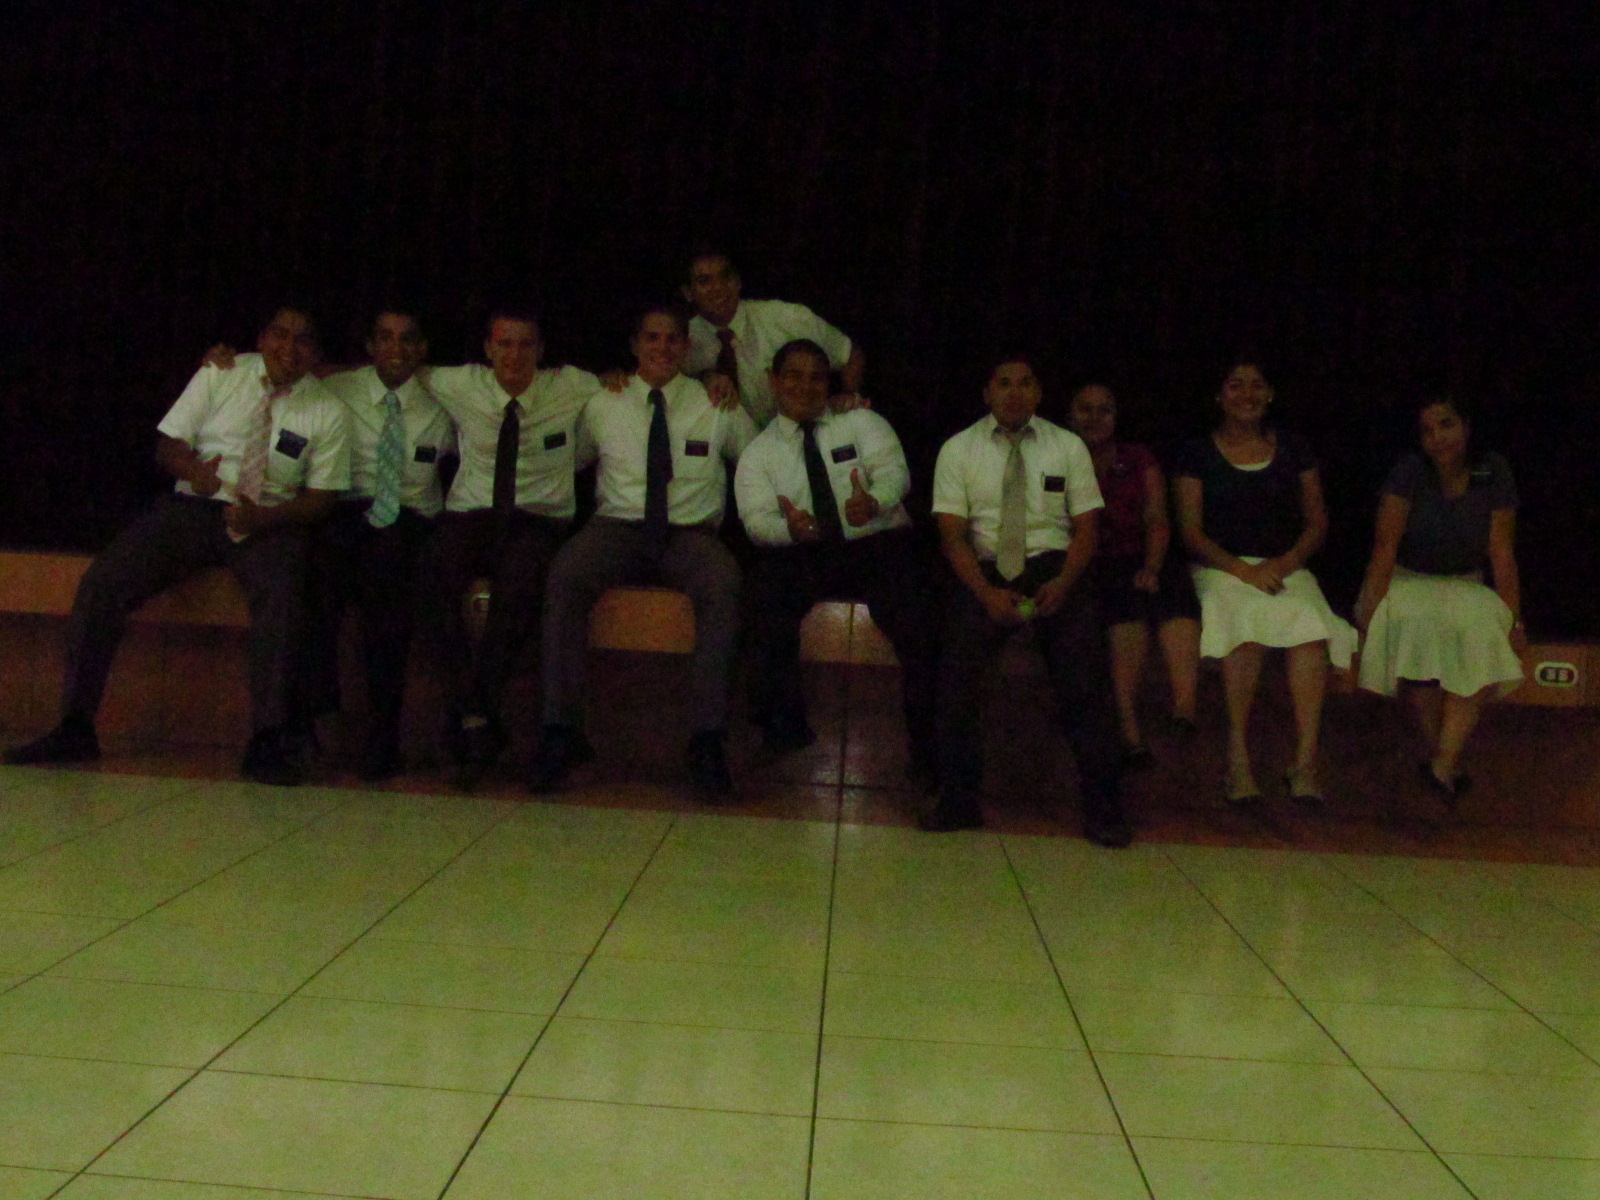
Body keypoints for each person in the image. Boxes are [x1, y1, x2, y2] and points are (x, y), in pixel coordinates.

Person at [4, 306, 351, 785]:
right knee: (103, 582)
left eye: (303, 341)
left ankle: (268, 739)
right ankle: (75, 726)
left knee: (285, 595)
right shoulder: (221, 372)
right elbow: (167, 445)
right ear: (261, 338)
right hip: (196, 505)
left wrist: (262, 517)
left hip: (268, 518)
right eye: (280, 335)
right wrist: (196, 474)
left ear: (316, 354)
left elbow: (321, 499)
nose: (288, 348)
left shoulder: (328, 410)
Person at [532, 305, 757, 798]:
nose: (662, 347)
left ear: (687, 347)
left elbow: (761, 460)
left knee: (723, 582)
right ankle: (561, 731)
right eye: (651, 338)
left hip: (690, 534)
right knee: (566, 573)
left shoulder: (715, 402)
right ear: (634, 345)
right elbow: (568, 461)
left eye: (673, 338)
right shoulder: (603, 401)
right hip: (617, 527)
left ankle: (707, 739)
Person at [927, 357, 1130, 846]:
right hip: (987, 569)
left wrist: (1064, 582)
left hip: (1055, 566)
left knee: (1085, 677)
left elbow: (1087, 529)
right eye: (1004, 384)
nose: (1014, 393)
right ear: (987, 393)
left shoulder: (1067, 446)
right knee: (955, 672)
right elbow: (953, 537)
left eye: (1025, 384)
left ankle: (1104, 807)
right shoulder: (958, 448)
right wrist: (985, 593)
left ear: (1039, 394)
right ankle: (958, 799)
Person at [734, 338, 940, 778]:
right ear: (773, 381)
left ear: (829, 383)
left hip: (876, 544)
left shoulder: (860, 421)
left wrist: (875, 501)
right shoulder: (758, 452)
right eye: (794, 376)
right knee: (761, 597)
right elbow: (755, 521)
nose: (805, 386)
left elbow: (895, 473)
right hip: (805, 551)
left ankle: (929, 749)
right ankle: (783, 727)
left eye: (816, 377)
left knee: (919, 617)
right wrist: (789, 530)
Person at [420, 307, 599, 788]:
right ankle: (473, 710)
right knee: (431, 572)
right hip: (472, 514)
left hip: (539, 517)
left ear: (541, 351)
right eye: (504, 344)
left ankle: (473, 714)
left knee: (520, 587)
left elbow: (628, 389)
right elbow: (402, 371)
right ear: (487, 348)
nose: (514, 355)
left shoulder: (573, 386)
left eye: (525, 345)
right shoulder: (460, 383)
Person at [1172, 360, 1356, 804]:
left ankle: (1305, 764)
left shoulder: (1294, 448)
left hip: (1284, 567)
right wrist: (1244, 571)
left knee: (1310, 630)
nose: (1247, 394)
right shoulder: (1196, 452)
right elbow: (1191, 532)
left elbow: (1317, 522)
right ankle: (1238, 761)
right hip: (1221, 569)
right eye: (1236, 385)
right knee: (1246, 628)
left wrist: (1285, 563)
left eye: (1257, 385)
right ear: (1219, 396)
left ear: (1270, 394)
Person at [1353, 397, 1525, 800]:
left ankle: (1442, 762)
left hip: (1467, 583)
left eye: (1446, 425)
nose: (1437, 438)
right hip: (1409, 580)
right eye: (1427, 431)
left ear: (1466, 425)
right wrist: (1368, 609)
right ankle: (1444, 762)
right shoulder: (1409, 471)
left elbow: (1501, 551)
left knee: (1483, 630)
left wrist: (1515, 620)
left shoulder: (1493, 470)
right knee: (1418, 634)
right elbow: (1385, 545)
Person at [1067, 383, 1201, 763]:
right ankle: (1128, 729)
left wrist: (1152, 566)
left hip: (1143, 552)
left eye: (1105, 410)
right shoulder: (1059, 458)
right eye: (1085, 409)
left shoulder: (1138, 458)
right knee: (1124, 606)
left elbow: (1156, 517)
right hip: (1092, 559)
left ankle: (1185, 708)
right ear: (1070, 415)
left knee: (1175, 588)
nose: (1095, 418)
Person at [682, 249, 865, 429]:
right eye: (704, 281)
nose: (718, 288)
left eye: (726, 277)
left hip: (800, 436)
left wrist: (848, 394)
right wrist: (704, 376)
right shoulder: (681, 340)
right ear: (688, 293)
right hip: (723, 444)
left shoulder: (785, 318)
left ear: (738, 281)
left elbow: (849, 355)